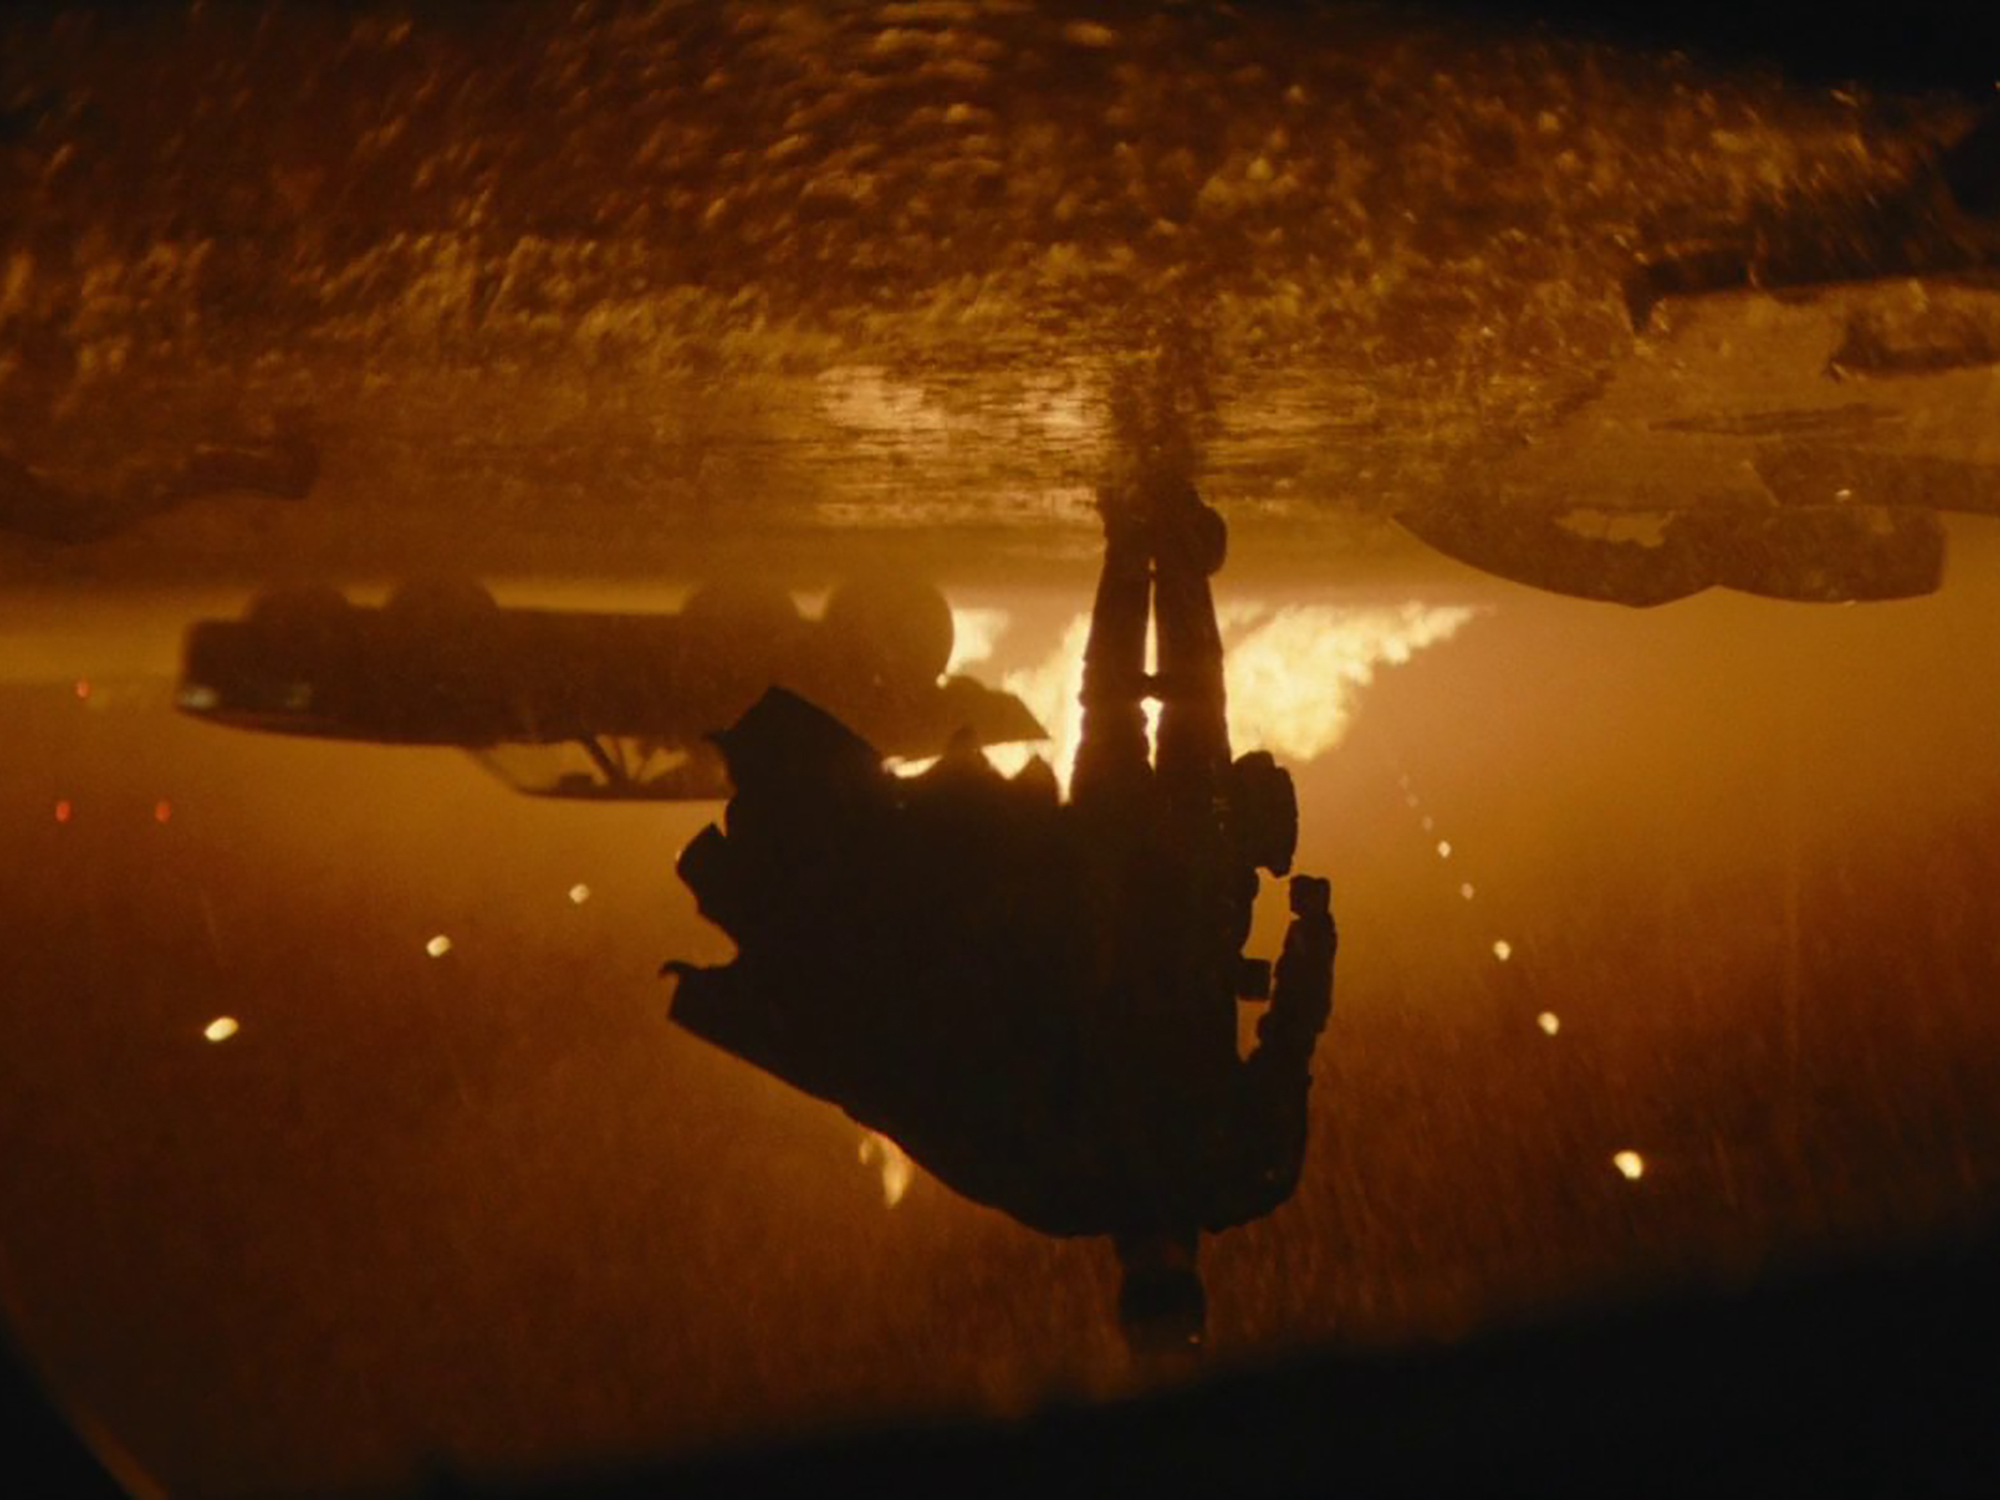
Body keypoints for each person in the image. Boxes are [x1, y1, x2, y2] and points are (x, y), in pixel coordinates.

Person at [664, 475, 1336, 1364]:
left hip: (1139, 886)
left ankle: (1151, 541)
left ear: (1131, 1284)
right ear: (1182, 1279)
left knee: (1159, 709)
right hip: (1143, 889)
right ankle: (1143, 539)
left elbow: (926, 1084)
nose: (1155, 1265)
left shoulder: (1183, 1176)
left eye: (1147, 1287)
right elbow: (920, 1086)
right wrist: (1310, 936)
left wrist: (1312, 934)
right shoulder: (1129, 1181)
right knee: (1147, 710)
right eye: (1166, 1285)